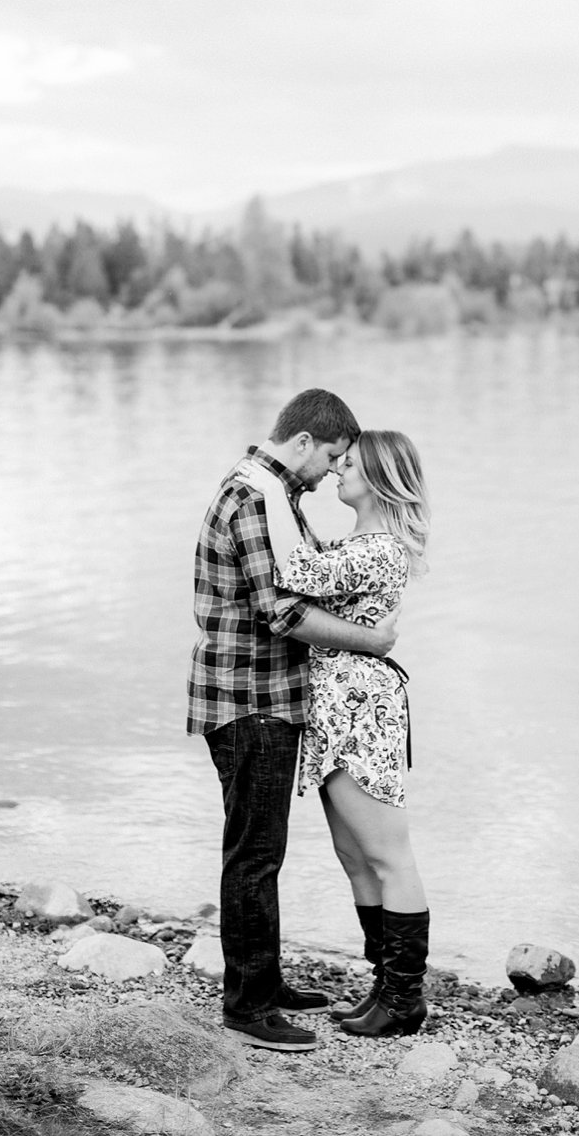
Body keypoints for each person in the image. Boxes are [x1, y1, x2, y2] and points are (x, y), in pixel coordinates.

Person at [186, 387, 397, 1054]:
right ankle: (248, 1003)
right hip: (250, 700)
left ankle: (264, 981)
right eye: (332, 455)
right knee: (254, 853)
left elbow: (308, 576)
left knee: (261, 849)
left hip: (264, 696)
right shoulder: (253, 500)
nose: (333, 470)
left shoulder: (275, 498)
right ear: (304, 441)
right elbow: (283, 610)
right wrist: (375, 640)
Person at [242, 429, 434, 1038]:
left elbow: (294, 567)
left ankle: (405, 999)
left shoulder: (381, 549)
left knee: (387, 855)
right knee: (355, 857)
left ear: (379, 477)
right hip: (333, 709)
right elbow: (305, 563)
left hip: (361, 709)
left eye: (349, 464)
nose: (338, 472)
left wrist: (266, 483)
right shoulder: (356, 541)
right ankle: (385, 985)